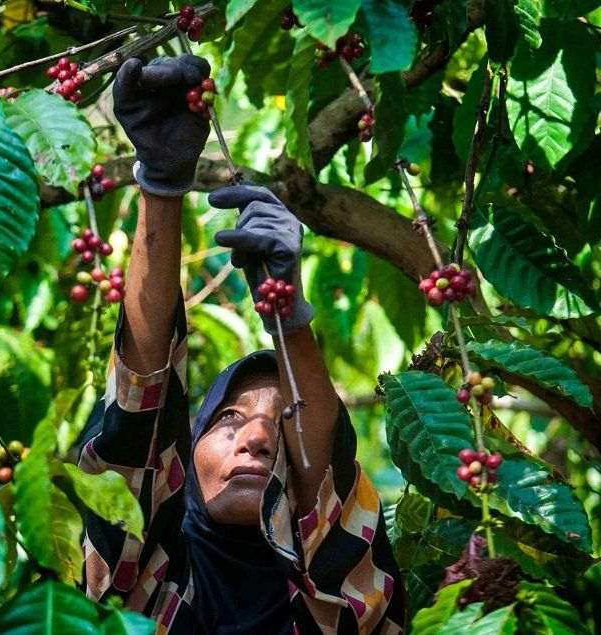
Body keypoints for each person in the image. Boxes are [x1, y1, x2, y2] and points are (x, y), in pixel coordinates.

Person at [77, 55, 405, 634]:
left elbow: (322, 470)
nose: (256, 438)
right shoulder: (139, 589)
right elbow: (139, 413)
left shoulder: (352, 602)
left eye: (280, 427)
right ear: (185, 455)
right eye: (229, 418)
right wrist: (159, 185)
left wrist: (290, 315)